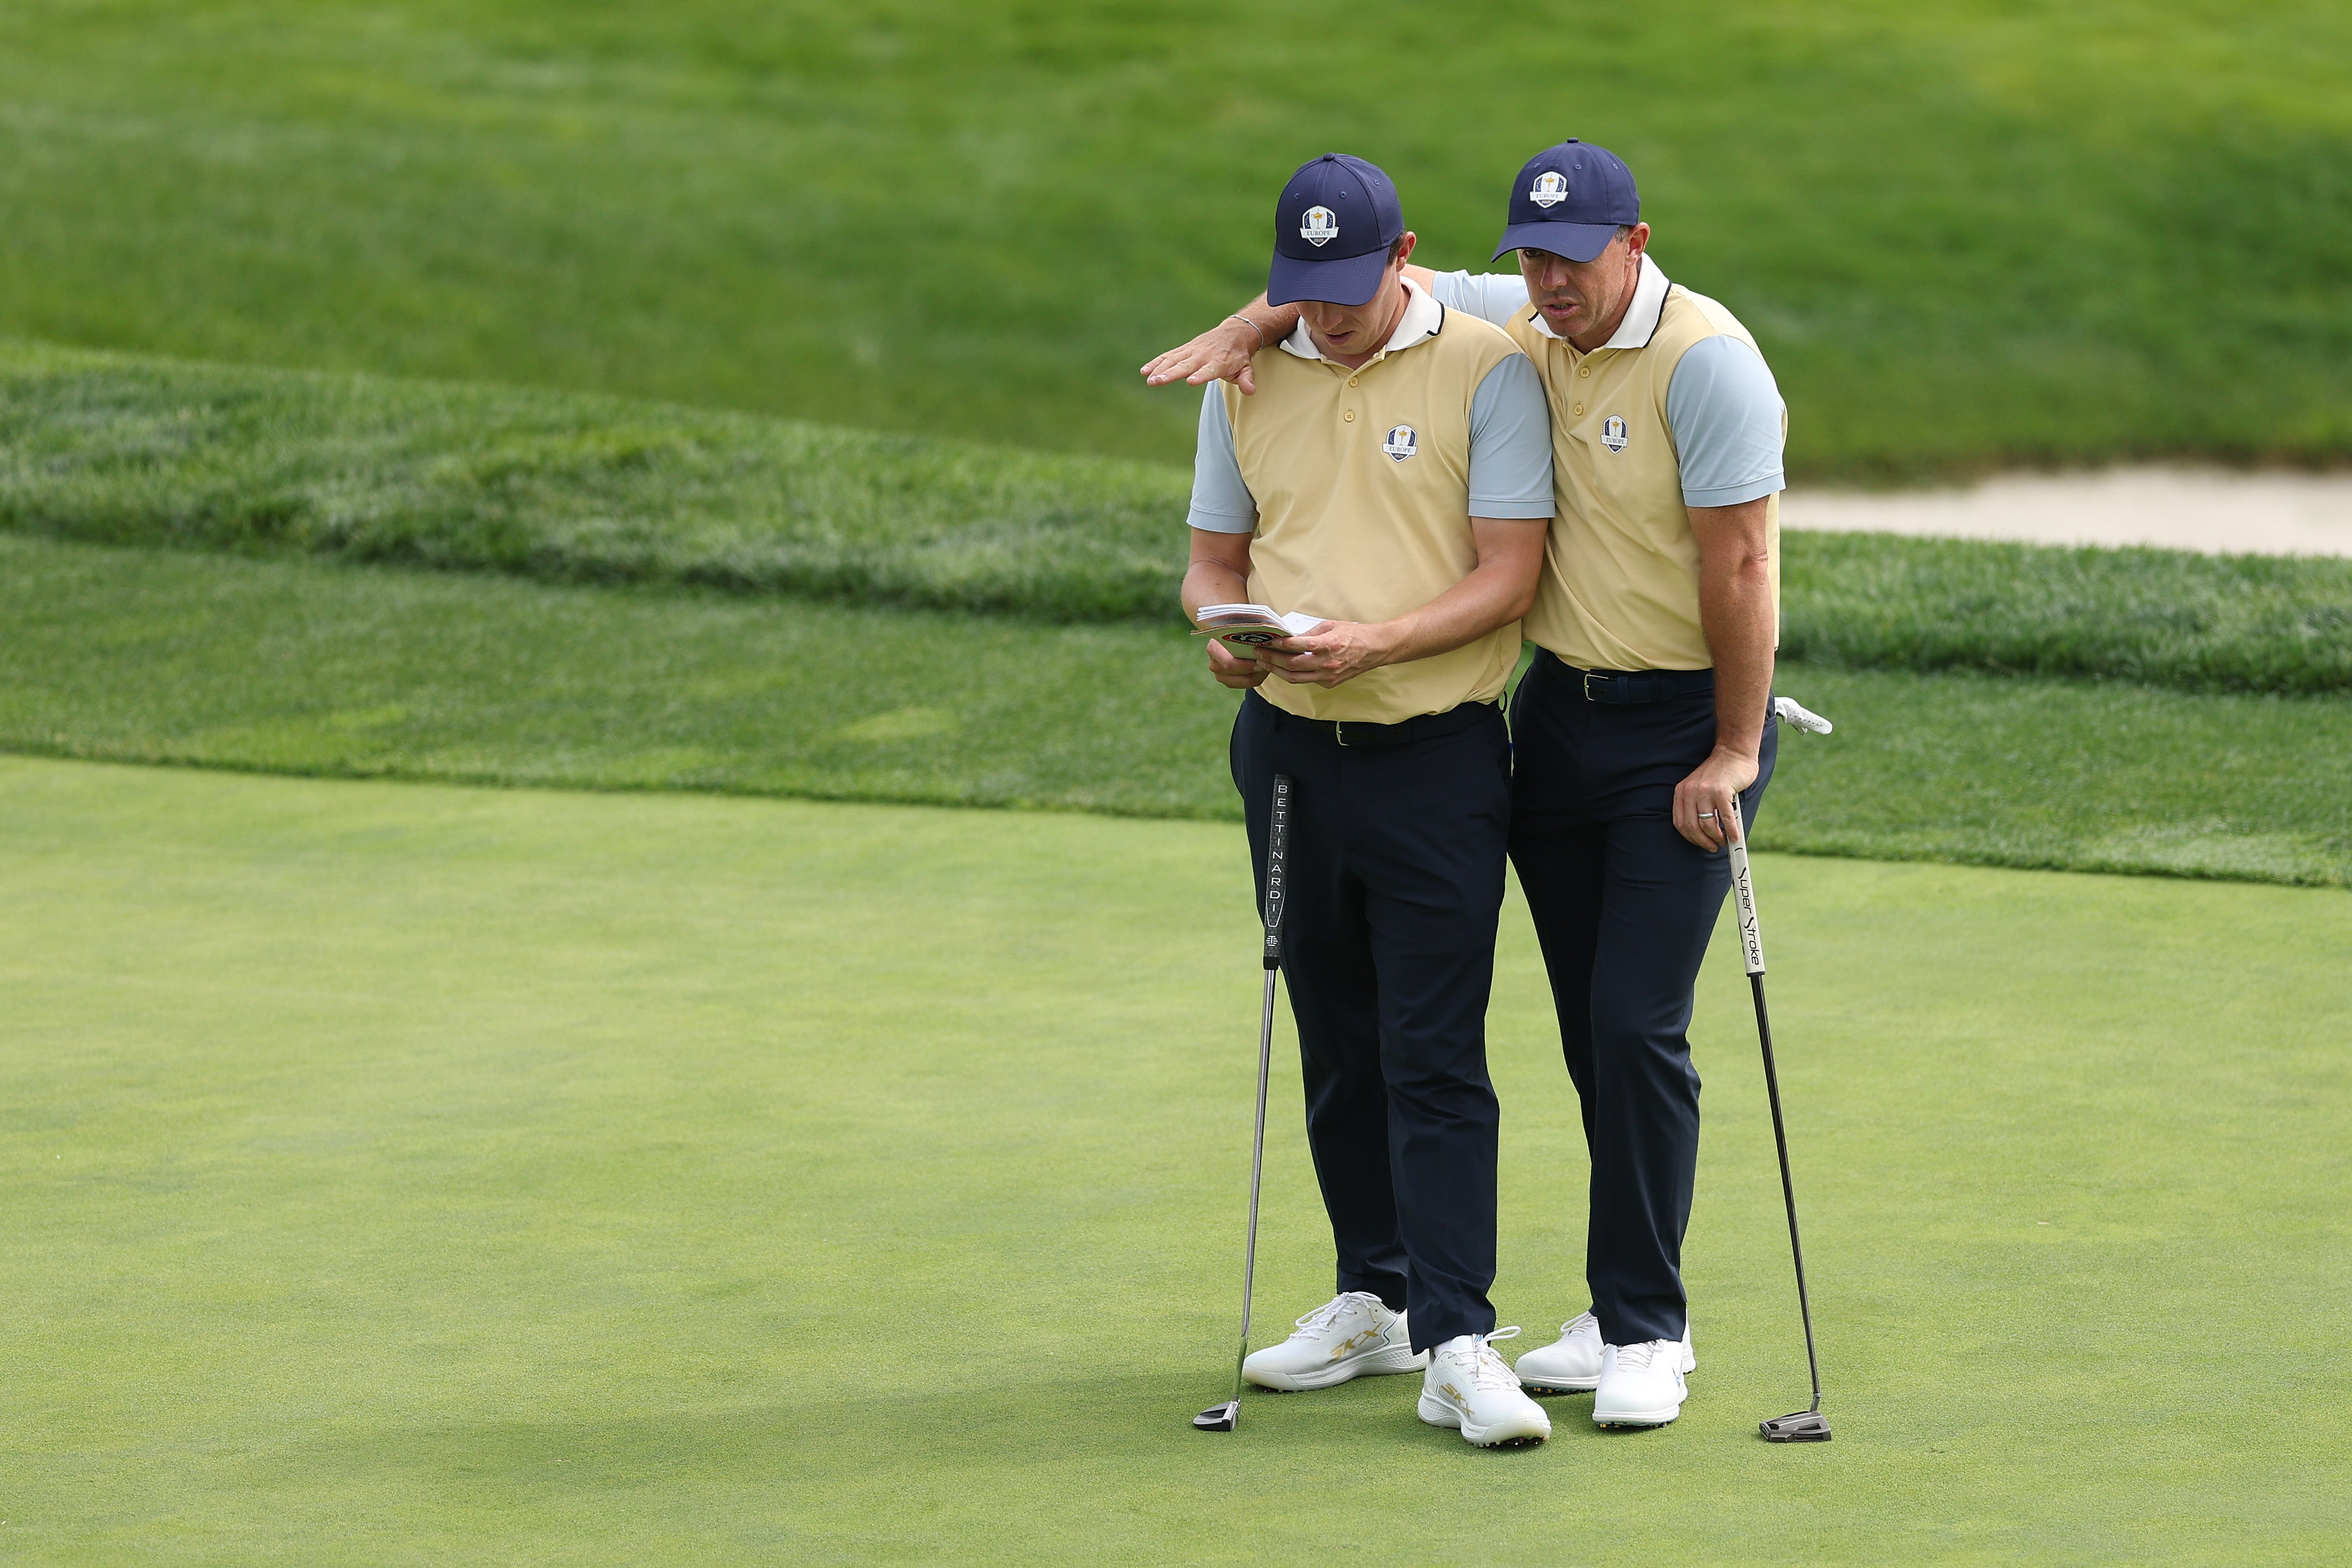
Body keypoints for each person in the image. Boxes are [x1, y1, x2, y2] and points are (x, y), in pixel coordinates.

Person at [1146, 139, 1788, 1432]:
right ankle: (1534, 1307)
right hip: (1556, 714)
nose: (1551, 281)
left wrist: (1731, 749)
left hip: (1680, 718)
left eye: (1575, 255)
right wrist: (1249, 318)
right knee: (1570, 1018)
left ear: (1638, 243)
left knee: (1631, 1021)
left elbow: (1744, 568)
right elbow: (1371, 296)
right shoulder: (1524, 322)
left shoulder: (1707, 359)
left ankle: (1647, 1323)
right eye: (1532, 258)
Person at [1180, 153, 1558, 1447]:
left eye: (1351, 287)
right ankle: (1376, 1294)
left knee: (1435, 1050)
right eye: (1304, 291)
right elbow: (1212, 561)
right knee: (1336, 1037)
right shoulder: (1250, 372)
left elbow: (1510, 573)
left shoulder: (1491, 364)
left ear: (1409, 257)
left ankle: (1460, 1335)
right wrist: (1222, 635)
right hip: (1284, 751)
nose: (1327, 314)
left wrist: (1379, 641)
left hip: (1434, 755)